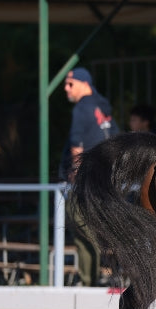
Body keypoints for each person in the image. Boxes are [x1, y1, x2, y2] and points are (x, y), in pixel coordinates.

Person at [60, 66, 120, 286]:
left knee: (82, 228)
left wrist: (76, 175)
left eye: (70, 83)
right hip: (105, 180)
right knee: (92, 230)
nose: (66, 88)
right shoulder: (102, 106)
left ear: (84, 84)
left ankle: (89, 282)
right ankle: (98, 279)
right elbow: (115, 139)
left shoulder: (82, 109)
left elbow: (77, 146)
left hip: (86, 182)